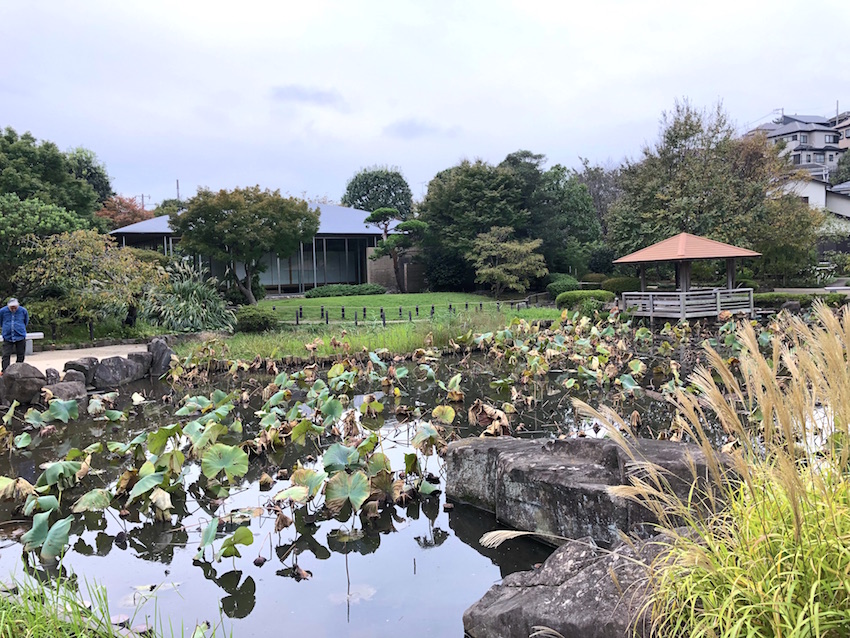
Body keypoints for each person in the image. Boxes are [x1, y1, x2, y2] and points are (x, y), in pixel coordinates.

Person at [0, 298, 29, 371]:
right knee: (6, 355)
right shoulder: (2, 311)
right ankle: (5, 370)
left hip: (20, 335)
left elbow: (26, 321)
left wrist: (20, 327)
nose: (13, 308)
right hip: (7, 336)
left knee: (20, 354)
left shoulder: (23, 311)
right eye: (11, 307)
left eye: (15, 306)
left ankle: (19, 370)